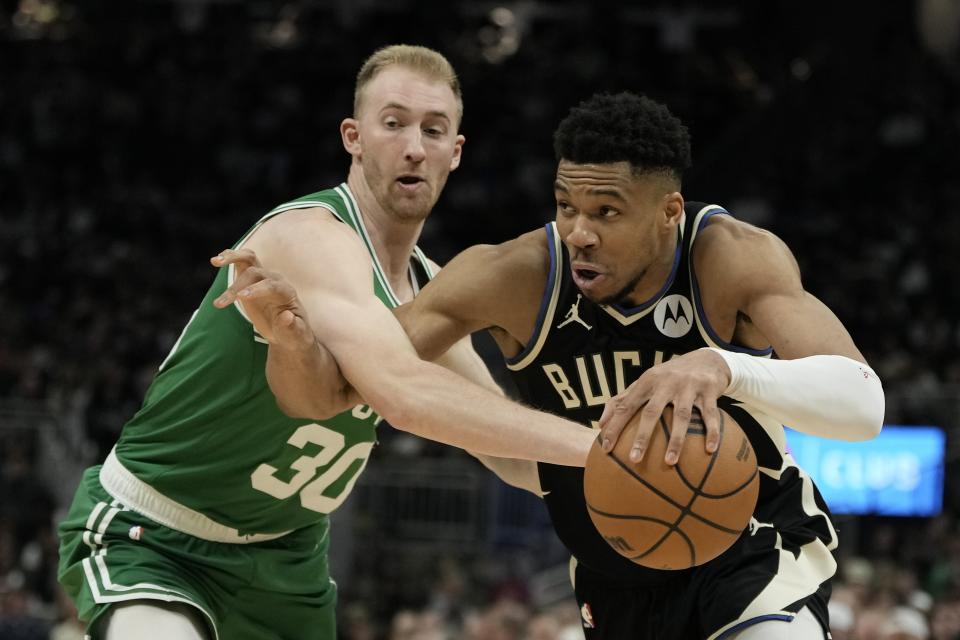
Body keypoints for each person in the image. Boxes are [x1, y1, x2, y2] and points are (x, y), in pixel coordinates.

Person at [234, 92, 885, 639]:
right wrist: (292, 342)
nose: (579, 231)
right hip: (611, 577)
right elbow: (333, 393)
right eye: (566, 206)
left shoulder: (730, 258)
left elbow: (864, 404)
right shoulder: (513, 276)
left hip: (752, 550)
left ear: (668, 214)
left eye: (606, 212)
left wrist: (724, 367)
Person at [56, 44, 599, 640]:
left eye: (433, 130)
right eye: (393, 124)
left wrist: (625, 487)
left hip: (287, 558)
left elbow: (510, 454)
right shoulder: (310, 236)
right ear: (354, 137)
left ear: (456, 152)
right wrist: (596, 448)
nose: (414, 146)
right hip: (159, 535)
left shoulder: (431, 287)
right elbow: (404, 394)